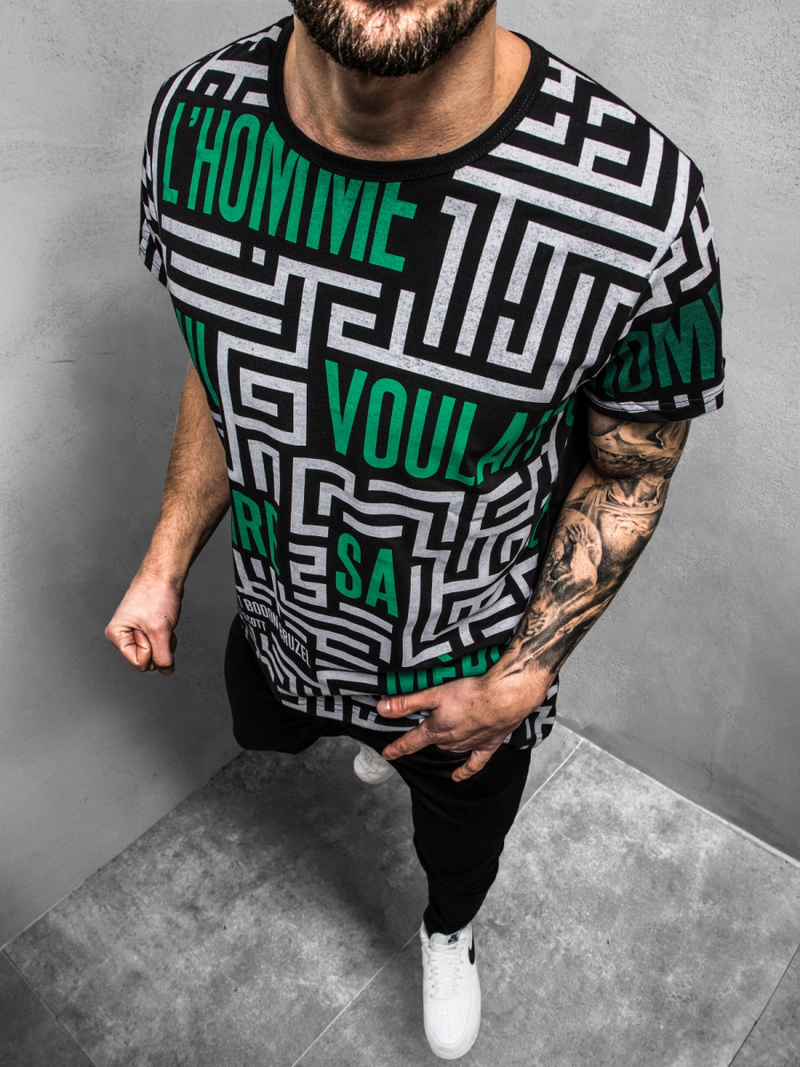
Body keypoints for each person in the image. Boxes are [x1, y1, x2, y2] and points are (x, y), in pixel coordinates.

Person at [106, 0, 724, 1057]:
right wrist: (165, 562)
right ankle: (354, 738)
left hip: (466, 661)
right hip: (281, 616)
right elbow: (220, 365)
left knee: (458, 845)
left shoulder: (639, 208)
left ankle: (449, 930)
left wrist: (519, 679)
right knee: (265, 731)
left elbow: (629, 471)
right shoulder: (194, 120)